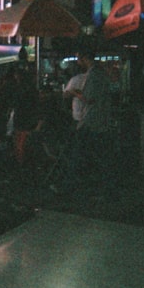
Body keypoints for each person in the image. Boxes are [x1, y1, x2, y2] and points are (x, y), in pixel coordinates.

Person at [59, 47, 113, 192]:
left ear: (84, 58)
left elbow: (89, 99)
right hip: (97, 119)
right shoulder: (99, 74)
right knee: (95, 155)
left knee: (78, 154)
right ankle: (98, 187)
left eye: (78, 58)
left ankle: (69, 186)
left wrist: (75, 93)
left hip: (91, 120)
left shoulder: (94, 75)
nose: (77, 62)